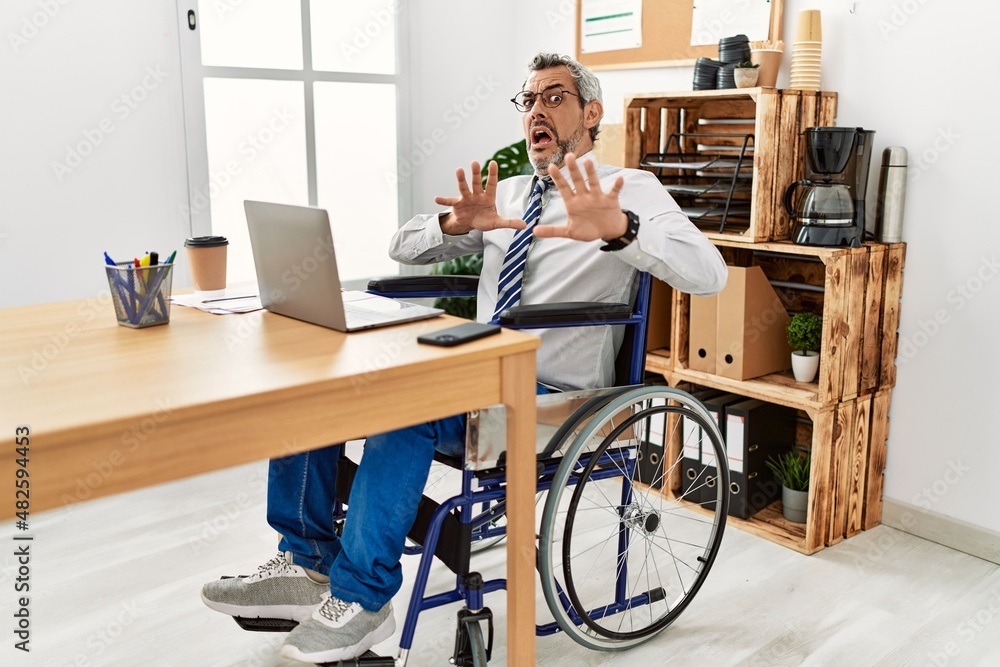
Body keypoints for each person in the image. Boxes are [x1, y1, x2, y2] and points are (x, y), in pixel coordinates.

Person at [201, 52, 727, 664]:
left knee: (409, 405)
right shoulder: (508, 194)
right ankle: (306, 560)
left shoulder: (627, 190)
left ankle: (363, 600)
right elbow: (400, 244)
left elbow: (709, 274)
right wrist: (454, 223)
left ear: (592, 113)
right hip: (479, 374)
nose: (536, 111)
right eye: (527, 100)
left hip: (557, 397)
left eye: (553, 98)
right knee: (321, 384)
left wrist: (623, 230)